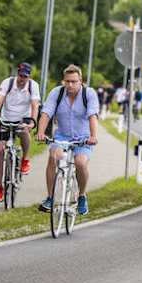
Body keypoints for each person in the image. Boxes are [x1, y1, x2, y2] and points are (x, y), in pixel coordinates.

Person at [35, 64, 99, 215]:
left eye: (73, 81)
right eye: (67, 81)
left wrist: (93, 136)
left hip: (83, 138)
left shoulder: (89, 94)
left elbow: (92, 116)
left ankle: (81, 196)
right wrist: (40, 132)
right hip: (62, 136)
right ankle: (50, 198)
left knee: (80, 163)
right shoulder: (57, 93)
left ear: (80, 81)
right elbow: (46, 113)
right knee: (53, 157)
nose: (70, 85)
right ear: (63, 81)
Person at [0, 62, 40, 203]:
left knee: (24, 133)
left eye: (25, 76)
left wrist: (32, 123)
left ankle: (25, 159)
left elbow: (35, 106)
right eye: (21, 75)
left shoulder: (33, 86)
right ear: (17, 73)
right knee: (0, 150)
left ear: (29, 77)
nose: (22, 79)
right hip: (6, 119)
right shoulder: (8, 83)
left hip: (23, 119)